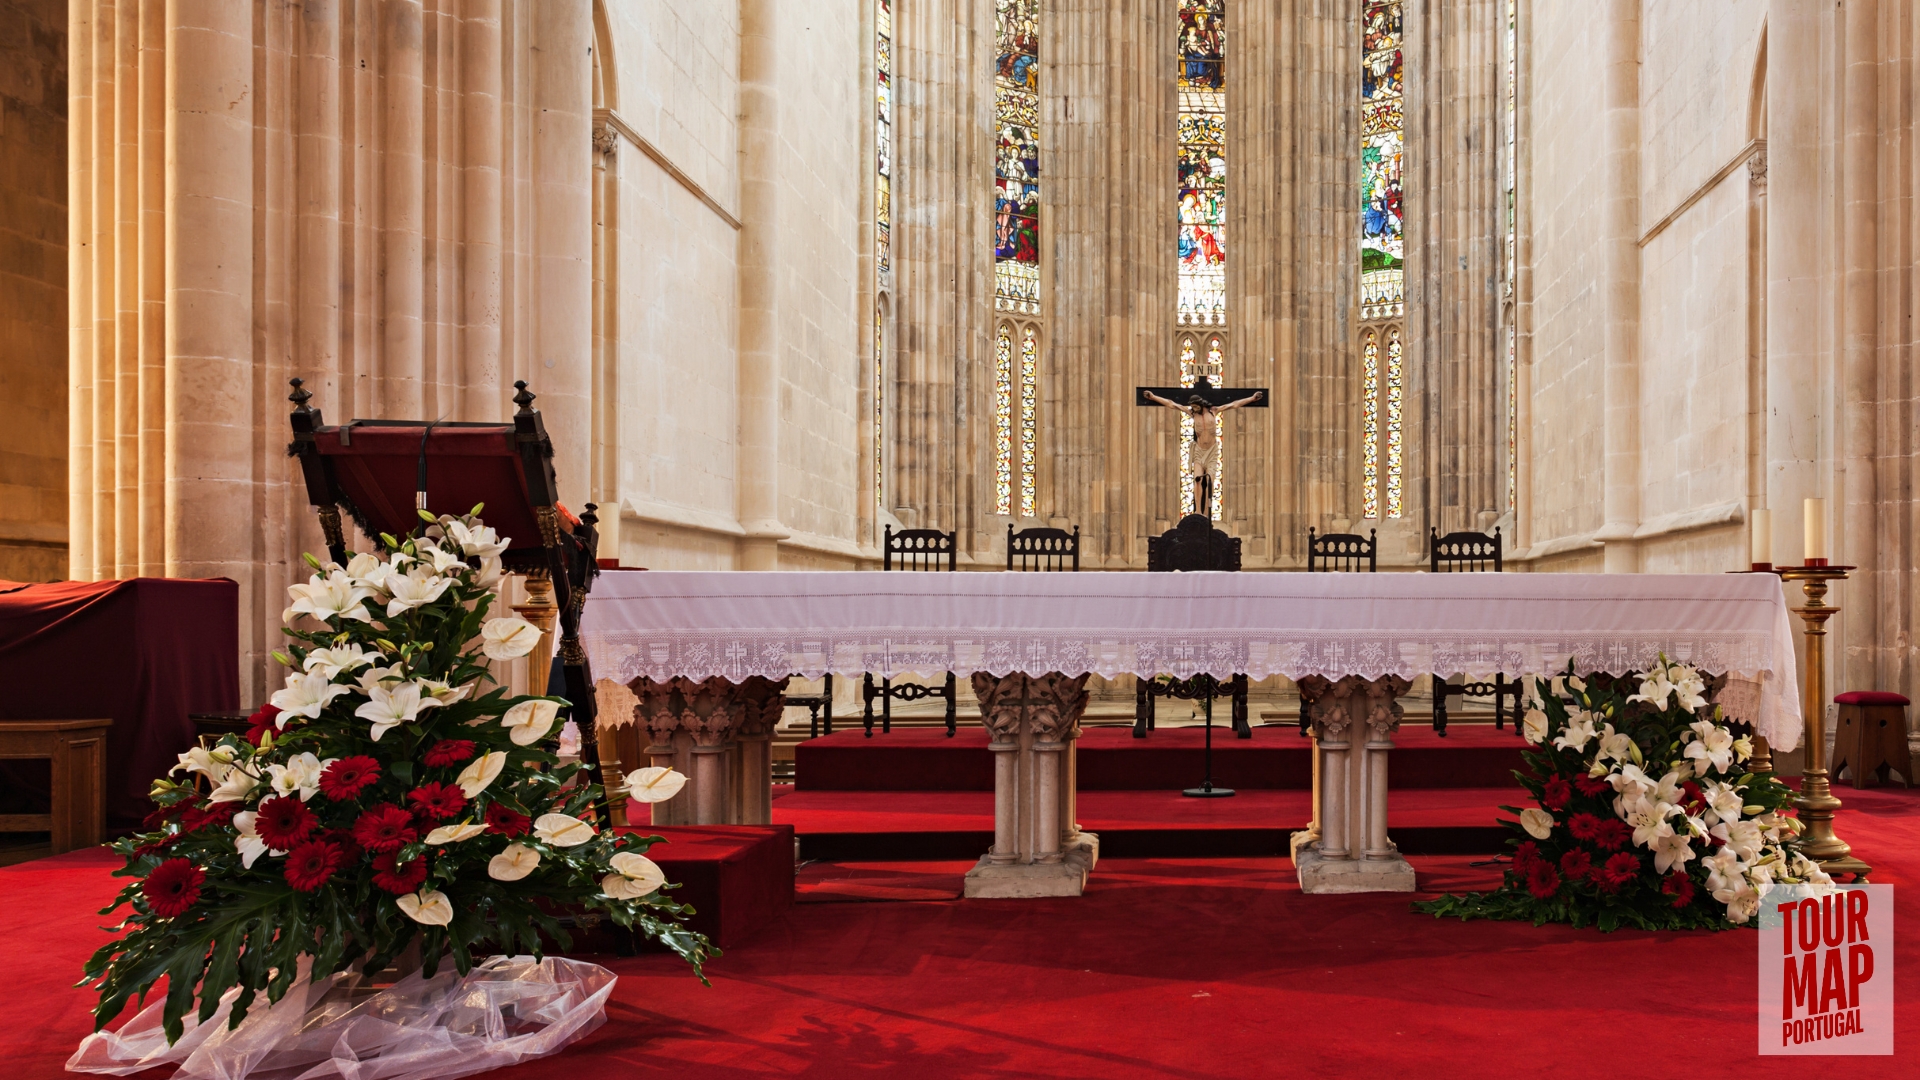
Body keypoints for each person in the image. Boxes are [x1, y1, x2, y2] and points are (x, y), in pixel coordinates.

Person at [1143, 387, 1263, 513]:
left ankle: (1206, 511)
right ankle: (1198, 512)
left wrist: (1252, 398)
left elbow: (1234, 404)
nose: (1194, 409)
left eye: (1195, 406)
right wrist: (1153, 397)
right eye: (1193, 407)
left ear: (1201, 404)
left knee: (1210, 481)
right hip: (1199, 451)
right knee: (1198, 479)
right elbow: (1171, 404)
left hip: (1212, 451)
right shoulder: (1192, 414)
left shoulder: (1214, 411)